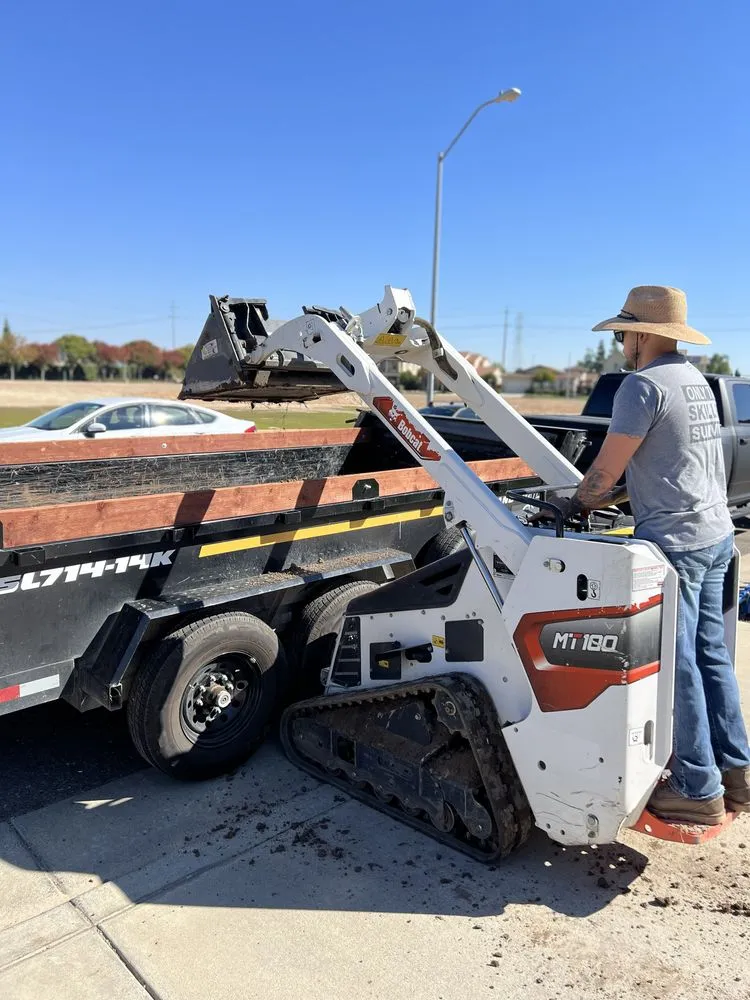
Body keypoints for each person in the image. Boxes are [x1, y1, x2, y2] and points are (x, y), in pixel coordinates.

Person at [549, 285, 750, 826]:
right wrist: (609, 493)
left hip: (678, 545)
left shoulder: (640, 386)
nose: (619, 343)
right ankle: (738, 774)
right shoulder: (694, 381)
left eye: (622, 333)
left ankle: (698, 789)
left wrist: (571, 506)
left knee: (678, 661)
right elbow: (664, 462)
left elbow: (607, 471)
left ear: (642, 334)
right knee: (711, 654)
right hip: (716, 536)